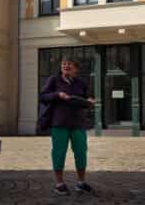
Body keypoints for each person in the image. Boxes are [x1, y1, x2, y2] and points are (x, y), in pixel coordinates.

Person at [39, 58, 95, 196]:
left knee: (81, 152)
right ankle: (60, 184)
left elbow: (89, 98)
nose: (66, 66)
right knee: (59, 152)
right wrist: (57, 94)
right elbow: (43, 96)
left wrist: (90, 101)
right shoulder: (54, 80)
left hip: (78, 123)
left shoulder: (81, 83)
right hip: (59, 122)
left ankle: (81, 183)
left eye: (70, 64)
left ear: (76, 69)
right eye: (64, 64)